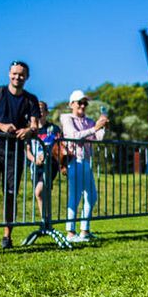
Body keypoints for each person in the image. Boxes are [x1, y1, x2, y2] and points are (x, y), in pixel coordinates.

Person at [0, 60, 40, 252]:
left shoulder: (31, 99)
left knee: (10, 194)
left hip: (15, 151)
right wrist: (1, 126)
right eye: (14, 73)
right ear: (9, 74)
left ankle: (7, 237)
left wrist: (29, 131)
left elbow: (35, 125)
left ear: (26, 77)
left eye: (21, 74)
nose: (17, 77)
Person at [59, 90, 107, 243]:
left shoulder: (89, 121)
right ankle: (70, 232)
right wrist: (95, 128)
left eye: (85, 103)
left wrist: (103, 126)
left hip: (85, 161)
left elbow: (98, 139)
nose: (82, 105)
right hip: (74, 160)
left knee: (91, 196)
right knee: (75, 196)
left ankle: (84, 230)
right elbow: (73, 135)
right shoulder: (66, 118)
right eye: (80, 102)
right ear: (71, 104)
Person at [26, 100, 63, 221]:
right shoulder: (29, 130)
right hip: (35, 166)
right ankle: (46, 221)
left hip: (50, 165)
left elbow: (59, 146)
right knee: (43, 194)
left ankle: (45, 221)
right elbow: (27, 150)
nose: (40, 112)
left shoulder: (54, 129)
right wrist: (34, 159)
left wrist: (47, 155)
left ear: (47, 112)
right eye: (37, 109)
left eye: (42, 109)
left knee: (39, 192)